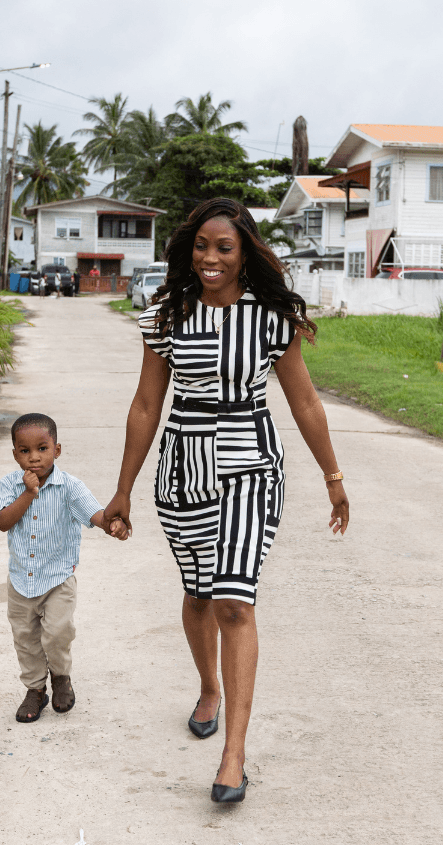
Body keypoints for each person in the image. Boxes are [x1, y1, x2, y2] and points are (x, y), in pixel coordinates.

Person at [104, 198, 349, 804]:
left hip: (251, 464)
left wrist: (333, 476)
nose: (210, 258)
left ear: (246, 255)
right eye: (202, 247)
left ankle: (233, 757)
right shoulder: (166, 316)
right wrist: (123, 489)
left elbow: (306, 404)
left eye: (224, 248)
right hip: (183, 465)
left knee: (234, 602)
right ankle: (208, 686)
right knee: (197, 596)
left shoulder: (271, 318)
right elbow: (145, 406)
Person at [0, 413, 128, 723]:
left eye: (42, 448)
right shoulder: (9, 485)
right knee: (25, 639)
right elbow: (3, 522)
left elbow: (96, 515)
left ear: (57, 450)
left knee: (56, 633)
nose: (34, 458)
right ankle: (35, 690)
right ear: (15, 454)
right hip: (20, 582)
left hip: (58, 579)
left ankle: (61, 677)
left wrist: (114, 525)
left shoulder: (69, 487)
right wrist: (28, 493)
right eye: (24, 451)